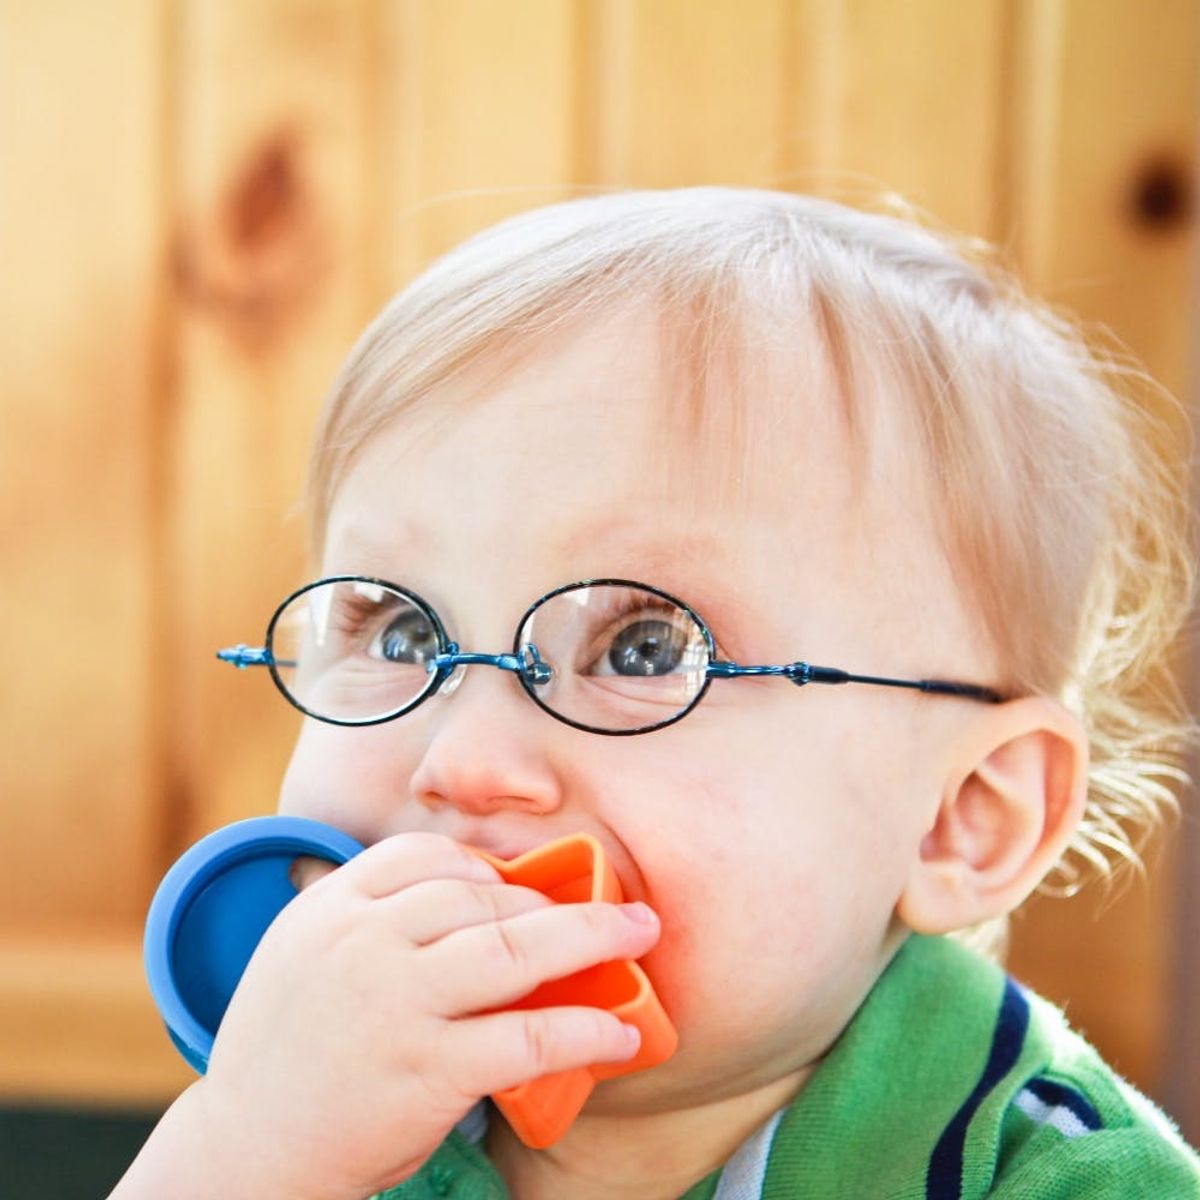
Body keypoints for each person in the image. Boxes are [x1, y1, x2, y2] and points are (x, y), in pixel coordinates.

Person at [112, 187, 1200, 1199]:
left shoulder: (1063, 1176)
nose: (467, 762)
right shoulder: (317, 1106)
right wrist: (243, 1148)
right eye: (404, 630)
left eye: (641, 652)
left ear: (963, 817)